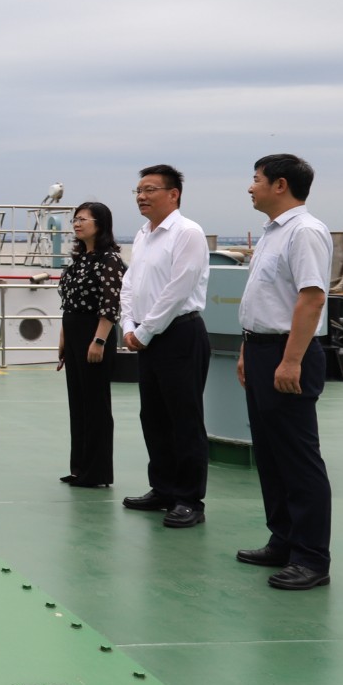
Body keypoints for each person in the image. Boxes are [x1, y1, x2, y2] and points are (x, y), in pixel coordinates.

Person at [235, 154, 334, 590]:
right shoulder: (273, 233)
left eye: (256, 179)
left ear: (280, 185)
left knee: (297, 458)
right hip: (262, 350)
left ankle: (311, 558)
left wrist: (291, 360)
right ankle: (284, 540)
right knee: (271, 455)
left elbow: (311, 298)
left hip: (287, 351)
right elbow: (265, 298)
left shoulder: (304, 231)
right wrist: (247, 349)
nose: (250, 187)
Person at [119, 164, 212, 528]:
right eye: (138, 191)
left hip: (179, 334)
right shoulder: (143, 235)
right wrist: (130, 325)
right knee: (154, 417)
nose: (141, 196)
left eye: (150, 190)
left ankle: (189, 499)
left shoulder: (188, 233)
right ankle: (163, 489)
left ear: (174, 194)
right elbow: (131, 284)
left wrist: (145, 331)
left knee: (184, 419)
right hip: (147, 336)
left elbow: (179, 288)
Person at [55, 200, 125, 489]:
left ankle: (97, 473)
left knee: (96, 403)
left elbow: (110, 304)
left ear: (101, 224)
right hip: (73, 333)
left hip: (94, 333)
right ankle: (80, 467)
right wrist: (63, 340)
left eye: (83, 219)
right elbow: (68, 303)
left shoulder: (110, 260)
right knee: (79, 402)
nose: (77, 223)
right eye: (75, 219)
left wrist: (99, 340)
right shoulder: (79, 260)